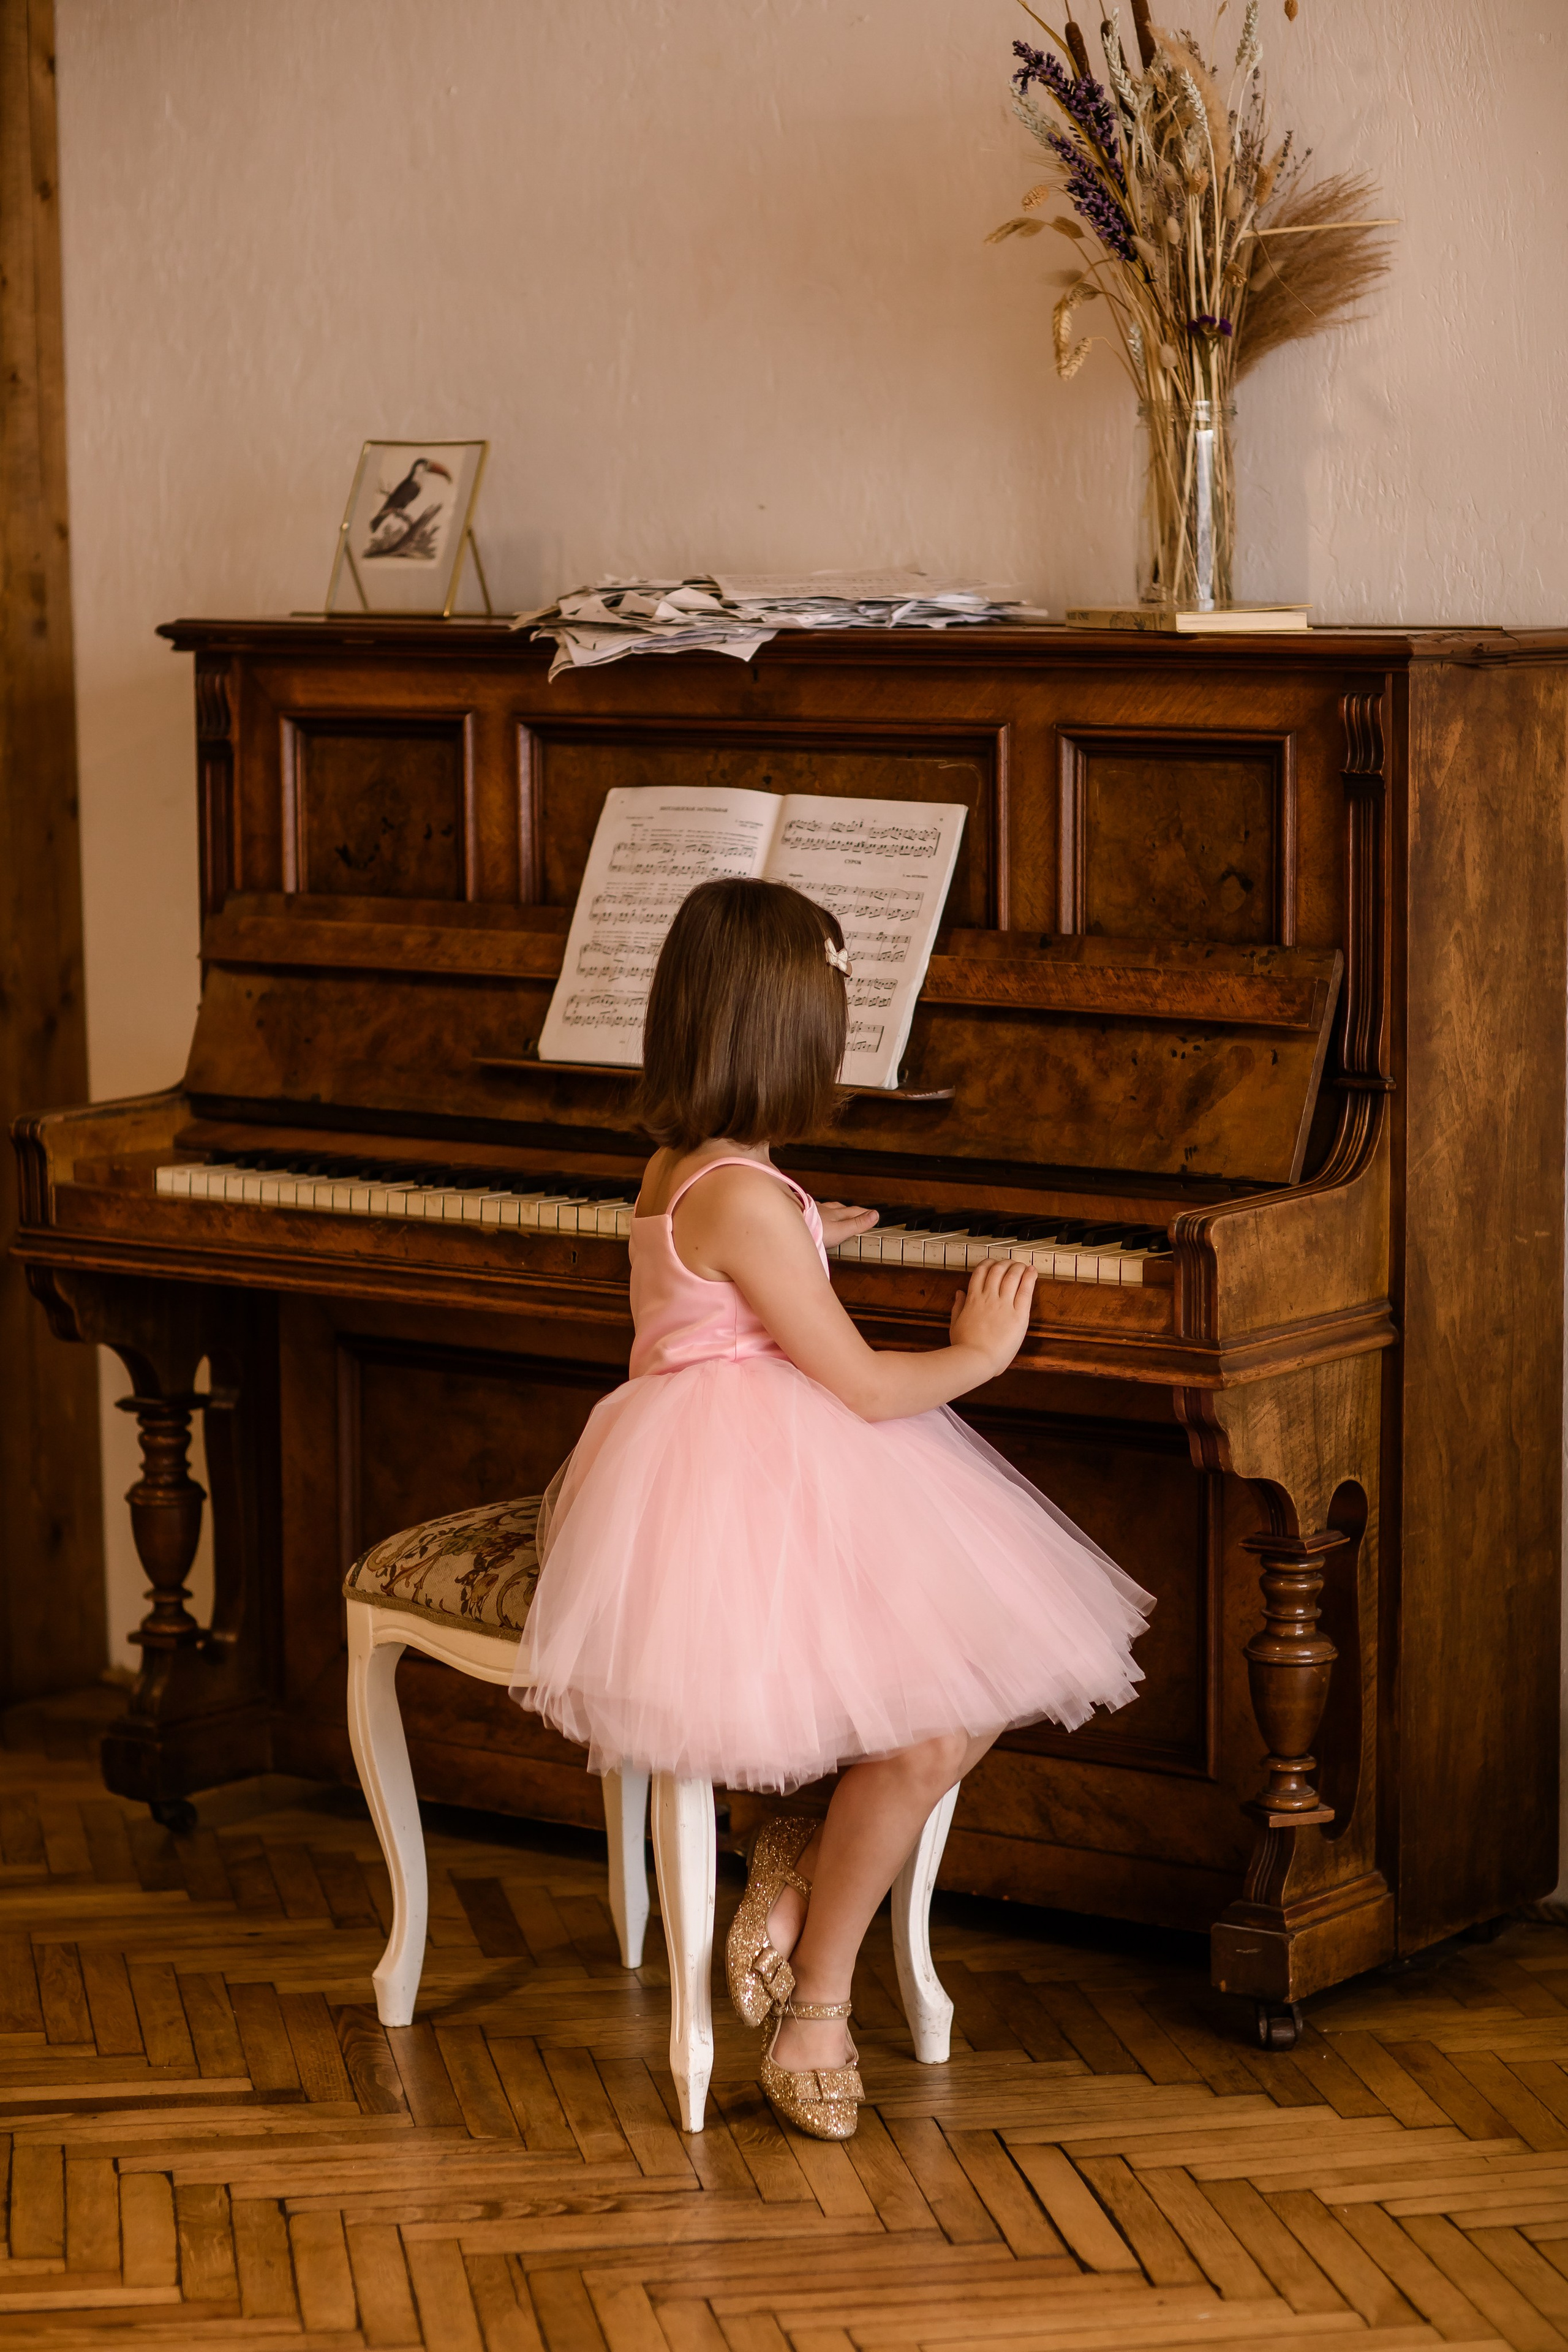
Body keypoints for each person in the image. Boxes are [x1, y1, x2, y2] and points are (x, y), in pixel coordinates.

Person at [513, 875, 1152, 2140]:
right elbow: (858, 1384)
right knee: (945, 1712)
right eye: (833, 1006)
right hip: (739, 1495)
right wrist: (977, 1355)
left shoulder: (704, 1169)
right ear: (782, 1030)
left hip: (744, 1463)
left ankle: (802, 1850)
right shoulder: (744, 1198)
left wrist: (806, 1243)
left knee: (972, 1682)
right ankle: (816, 2005)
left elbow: (737, 1259)